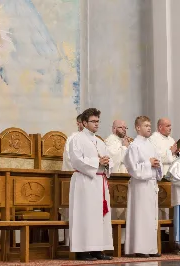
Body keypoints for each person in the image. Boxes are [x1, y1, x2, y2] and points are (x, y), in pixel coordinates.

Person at [68, 108, 114, 261]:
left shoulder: (100, 141)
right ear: (84, 123)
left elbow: (109, 160)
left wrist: (107, 163)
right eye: (93, 121)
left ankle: (97, 249)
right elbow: (76, 160)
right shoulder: (77, 139)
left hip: (99, 181)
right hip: (84, 182)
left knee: (98, 216)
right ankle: (82, 250)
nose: (96, 124)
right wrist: (97, 162)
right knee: (85, 215)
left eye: (98, 121)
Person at [123, 116, 163, 257]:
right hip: (140, 185)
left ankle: (151, 249)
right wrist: (148, 163)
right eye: (146, 125)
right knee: (141, 216)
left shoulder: (151, 145)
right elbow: (132, 168)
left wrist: (158, 165)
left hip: (151, 184)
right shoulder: (134, 146)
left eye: (149, 125)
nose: (149, 127)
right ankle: (139, 248)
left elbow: (158, 163)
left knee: (151, 217)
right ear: (138, 127)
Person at [59, 114, 83, 245]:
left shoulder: (93, 139)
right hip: (75, 178)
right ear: (78, 123)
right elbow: (70, 159)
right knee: (73, 212)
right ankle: (70, 243)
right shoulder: (72, 139)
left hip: (90, 180)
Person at [149, 118, 176, 230]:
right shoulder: (153, 139)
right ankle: (160, 231)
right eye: (168, 125)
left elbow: (174, 157)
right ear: (160, 127)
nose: (170, 128)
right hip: (161, 175)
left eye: (170, 125)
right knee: (160, 203)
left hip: (171, 174)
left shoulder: (171, 139)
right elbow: (156, 156)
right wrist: (170, 151)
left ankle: (169, 231)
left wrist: (175, 152)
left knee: (170, 202)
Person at [105, 120, 130, 228]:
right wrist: (125, 147)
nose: (124, 129)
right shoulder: (110, 141)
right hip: (116, 179)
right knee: (115, 209)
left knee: (126, 209)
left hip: (126, 178)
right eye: (121, 127)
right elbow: (114, 159)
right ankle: (115, 240)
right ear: (114, 129)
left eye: (125, 127)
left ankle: (124, 241)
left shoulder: (124, 141)